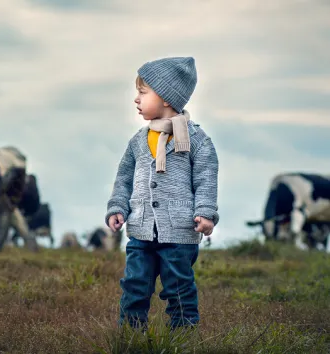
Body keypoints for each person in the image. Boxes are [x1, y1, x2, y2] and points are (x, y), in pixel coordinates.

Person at [105, 56, 219, 331]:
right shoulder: (138, 141)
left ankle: (183, 339)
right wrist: (118, 207)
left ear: (167, 98)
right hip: (141, 231)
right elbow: (123, 179)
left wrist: (205, 213)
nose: (136, 99)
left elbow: (206, 178)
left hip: (180, 232)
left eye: (143, 93)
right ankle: (131, 338)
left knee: (179, 291)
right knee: (134, 288)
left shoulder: (197, 140)